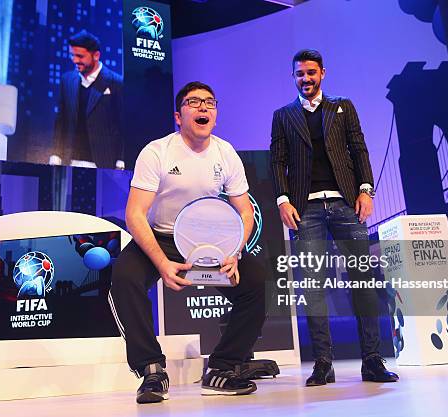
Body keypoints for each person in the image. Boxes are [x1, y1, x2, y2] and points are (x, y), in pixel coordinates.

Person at [109, 81, 266, 404]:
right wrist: (161, 263)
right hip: (161, 237)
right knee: (124, 278)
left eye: (210, 102)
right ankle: (151, 370)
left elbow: (245, 210)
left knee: (254, 281)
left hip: (207, 241)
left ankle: (222, 369)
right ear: (178, 117)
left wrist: (235, 251)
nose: (203, 107)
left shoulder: (225, 153)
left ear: (216, 114)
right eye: (194, 102)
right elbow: (135, 214)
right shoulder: (158, 152)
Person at [270, 49, 398, 386]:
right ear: (293, 76)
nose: (306, 79)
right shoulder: (283, 115)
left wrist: (366, 190)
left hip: (345, 204)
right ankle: (323, 363)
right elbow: (277, 161)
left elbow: (359, 149)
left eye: (311, 73)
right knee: (313, 287)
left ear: (322, 73)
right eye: (300, 74)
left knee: (364, 283)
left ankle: (372, 360)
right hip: (306, 208)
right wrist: (283, 200)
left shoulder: (343, 107)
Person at [51, 30, 123, 168]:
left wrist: (121, 159)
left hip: (104, 161)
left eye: (80, 56)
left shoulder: (116, 82)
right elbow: (61, 121)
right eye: (72, 55)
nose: (75, 60)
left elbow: (122, 125)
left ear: (96, 55)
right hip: (70, 160)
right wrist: (56, 154)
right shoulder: (67, 80)